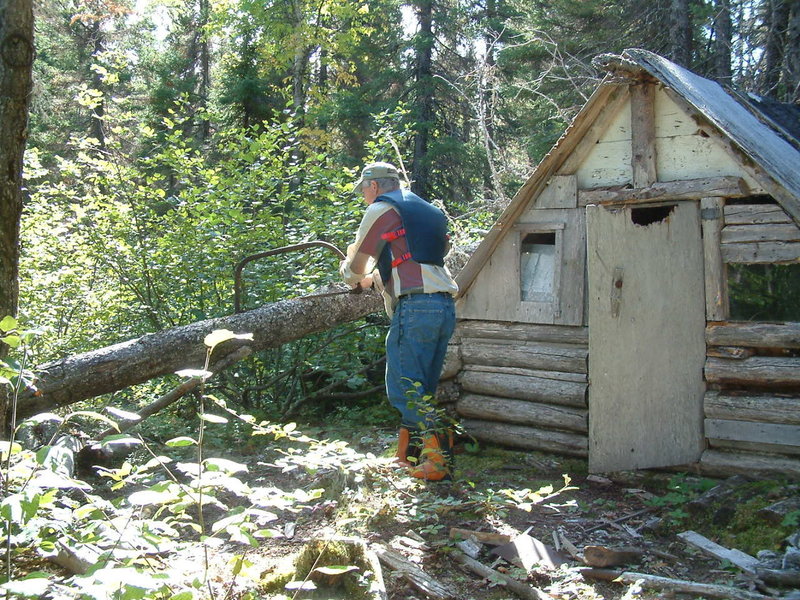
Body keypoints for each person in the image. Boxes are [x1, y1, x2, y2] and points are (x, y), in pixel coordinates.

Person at [340, 161, 458, 480]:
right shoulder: (426, 211)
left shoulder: (381, 209)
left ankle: (438, 461)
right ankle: (407, 456)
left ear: (374, 186)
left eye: (364, 190)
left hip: (416, 307)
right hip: (443, 305)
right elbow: (418, 260)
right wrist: (377, 280)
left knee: (405, 387)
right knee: (421, 386)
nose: (364, 196)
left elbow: (356, 265)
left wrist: (350, 275)